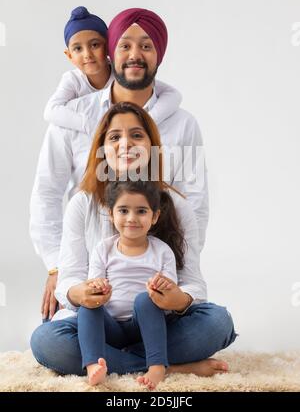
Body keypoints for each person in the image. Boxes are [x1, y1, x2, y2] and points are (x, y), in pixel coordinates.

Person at [30, 102, 237, 379]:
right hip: (103, 324)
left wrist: (179, 299)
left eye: (137, 135)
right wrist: (79, 293)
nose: (125, 143)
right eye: (115, 136)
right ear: (102, 148)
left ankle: (120, 360)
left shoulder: (176, 205)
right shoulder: (82, 203)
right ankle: (167, 365)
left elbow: (193, 281)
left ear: (151, 146)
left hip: (158, 322)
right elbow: (70, 277)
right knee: (47, 341)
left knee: (217, 323)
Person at [30, 7, 190, 321]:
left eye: (146, 46)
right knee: (52, 342)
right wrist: (59, 268)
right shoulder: (72, 115)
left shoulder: (180, 120)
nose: (134, 55)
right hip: (91, 280)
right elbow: (46, 193)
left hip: (154, 281)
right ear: (112, 53)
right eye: (125, 45)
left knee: (210, 324)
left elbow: (192, 203)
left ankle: (141, 347)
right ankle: (155, 355)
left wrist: (180, 290)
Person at [78, 179, 185, 389]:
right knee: (87, 306)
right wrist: (99, 288)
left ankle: (156, 366)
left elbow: (171, 293)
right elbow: (92, 285)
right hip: (111, 329)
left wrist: (164, 286)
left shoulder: (162, 251)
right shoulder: (103, 249)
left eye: (141, 211)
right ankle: (93, 365)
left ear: (155, 216)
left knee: (145, 299)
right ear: (111, 214)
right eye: (124, 210)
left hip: (147, 327)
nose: (132, 218)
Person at [44, 6, 181, 135]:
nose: (87, 54)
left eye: (95, 45)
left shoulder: (123, 74)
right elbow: (51, 111)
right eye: (78, 48)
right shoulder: (72, 80)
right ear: (69, 55)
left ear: (109, 47)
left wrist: (148, 121)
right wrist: (93, 126)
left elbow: (173, 94)